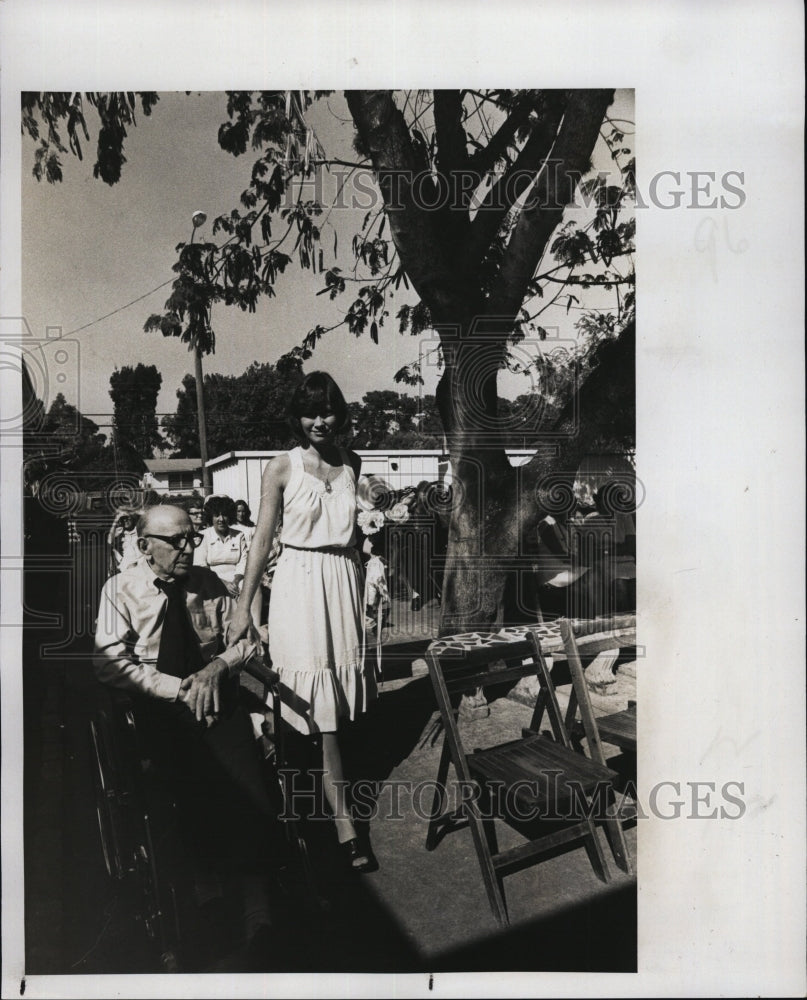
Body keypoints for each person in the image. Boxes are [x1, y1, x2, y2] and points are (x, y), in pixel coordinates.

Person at [93, 504, 280, 970]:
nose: (187, 548)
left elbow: (247, 641)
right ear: (144, 545)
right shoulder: (120, 591)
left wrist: (218, 667)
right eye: (175, 541)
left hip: (216, 701)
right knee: (181, 788)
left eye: (190, 538)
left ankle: (258, 912)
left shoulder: (209, 585)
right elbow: (108, 662)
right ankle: (206, 891)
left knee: (249, 788)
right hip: (163, 708)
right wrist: (178, 689)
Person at [228, 371, 376, 873]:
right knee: (301, 699)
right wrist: (243, 606)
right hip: (298, 583)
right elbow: (262, 541)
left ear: (340, 413)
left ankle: (315, 804)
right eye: (310, 411)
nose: (319, 420)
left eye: (328, 410)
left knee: (330, 699)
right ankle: (339, 820)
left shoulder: (352, 463)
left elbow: (356, 534)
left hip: (341, 581)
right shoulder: (282, 467)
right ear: (297, 416)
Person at [194, 495, 248, 598]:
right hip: (211, 578)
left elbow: (243, 562)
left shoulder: (239, 535)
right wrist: (224, 583)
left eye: (225, 515)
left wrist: (235, 582)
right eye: (217, 515)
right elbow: (201, 566)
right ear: (211, 517)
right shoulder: (203, 535)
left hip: (237, 578)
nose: (221, 519)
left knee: (254, 589)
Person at [108, 509, 141, 574]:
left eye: (127, 518)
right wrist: (116, 520)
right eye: (122, 519)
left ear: (132, 518)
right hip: (127, 564)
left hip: (142, 561)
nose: (125, 520)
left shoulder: (140, 530)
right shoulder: (119, 532)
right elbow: (109, 541)